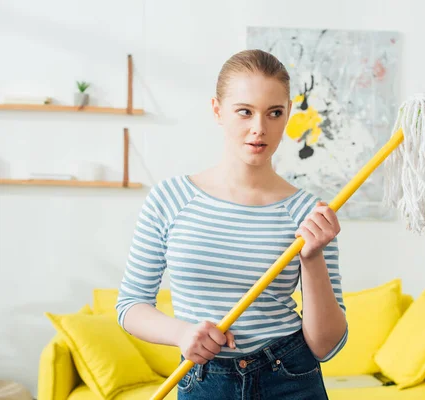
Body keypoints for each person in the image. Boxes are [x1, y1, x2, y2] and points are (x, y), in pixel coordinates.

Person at [115, 49, 348, 399]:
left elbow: (326, 346)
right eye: (245, 111)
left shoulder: (308, 212)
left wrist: (312, 258)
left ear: (286, 117)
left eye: (274, 113)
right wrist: (181, 334)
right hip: (204, 381)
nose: (259, 128)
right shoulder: (170, 198)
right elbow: (131, 305)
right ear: (217, 111)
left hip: (289, 378)